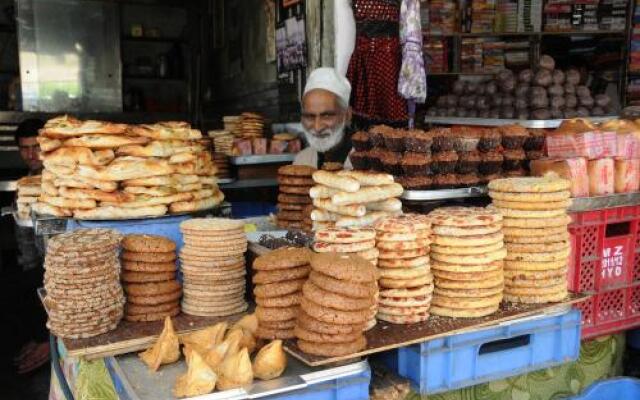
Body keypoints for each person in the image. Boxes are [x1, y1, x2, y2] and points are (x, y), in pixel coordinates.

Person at [2, 118, 49, 377]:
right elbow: (24, 239)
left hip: (60, 263)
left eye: (37, 147)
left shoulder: (58, 181)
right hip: (37, 263)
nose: (31, 154)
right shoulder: (25, 185)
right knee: (16, 287)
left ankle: (45, 343)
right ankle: (37, 339)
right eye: (25, 148)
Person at [294, 67, 354, 169]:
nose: (317, 127)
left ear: (347, 115)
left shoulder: (369, 162)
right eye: (309, 116)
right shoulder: (302, 161)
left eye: (327, 116)